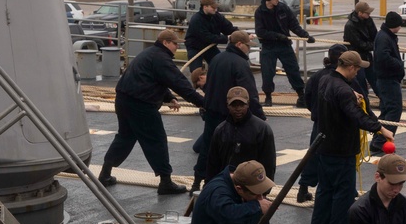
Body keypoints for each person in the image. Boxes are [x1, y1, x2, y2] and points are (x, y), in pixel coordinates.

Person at [98, 29, 205, 195]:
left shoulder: (149, 53)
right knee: (157, 141)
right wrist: (203, 102)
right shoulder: (162, 59)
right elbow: (179, 83)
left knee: (124, 138)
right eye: (175, 43)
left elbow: (153, 78)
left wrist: (168, 97)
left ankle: (105, 173)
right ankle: (165, 182)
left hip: (124, 100)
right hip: (140, 105)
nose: (177, 47)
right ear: (166, 43)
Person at [310, 51, 393, 224]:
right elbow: (358, 117)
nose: (357, 73)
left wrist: (350, 93)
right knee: (343, 196)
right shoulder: (344, 90)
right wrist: (381, 129)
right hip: (341, 152)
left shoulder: (326, 80)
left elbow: (336, 98)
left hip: (323, 148)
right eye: (357, 69)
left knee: (324, 193)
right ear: (350, 67)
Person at [192, 30, 265, 191]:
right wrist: (260, 117)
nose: (248, 49)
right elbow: (249, 93)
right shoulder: (240, 63)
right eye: (247, 46)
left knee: (208, 148)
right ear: (239, 44)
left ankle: (198, 182)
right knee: (232, 151)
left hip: (212, 110)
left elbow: (209, 86)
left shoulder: (217, 59)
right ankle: (231, 186)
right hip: (230, 114)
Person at [297, 43, 348, 203]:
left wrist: (315, 112)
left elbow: (307, 96)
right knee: (342, 158)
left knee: (313, 155)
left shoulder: (317, 76)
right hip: (339, 125)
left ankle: (303, 188)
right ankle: (345, 190)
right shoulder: (345, 78)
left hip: (319, 123)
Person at [254, 0, 314, 108]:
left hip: (284, 45)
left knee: (293, 70)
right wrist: (277, 36)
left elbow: (294, 25)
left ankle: (301, 96)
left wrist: (306, 36)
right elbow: (260, 32)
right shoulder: (260, 12)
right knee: (267, 73)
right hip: (269, 46)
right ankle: (268, 97)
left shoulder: (283, 8)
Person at [205, 86, 277, 186]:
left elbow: (268, 164)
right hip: (226, 184)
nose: (238, 109)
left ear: (248, 104)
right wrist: (209, 186)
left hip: (252, 186)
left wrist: (264, 191)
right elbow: (212, 162)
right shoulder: (220, 130)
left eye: (241, 105)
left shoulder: (262, 130)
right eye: (234, 105)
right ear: (227, 105)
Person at [370, 11, 406, 154]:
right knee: (394, 110)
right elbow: (382, 57)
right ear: (395, 25)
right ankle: (381, 140)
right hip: (388, 79)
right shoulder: (385, 38)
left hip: (386, 79)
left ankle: (378, 140)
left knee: (386, 111)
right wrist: (398, 64)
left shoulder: (384, 35)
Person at [184, 0, 237, 71]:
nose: (215, 10)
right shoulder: (196, 19)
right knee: (196, 71)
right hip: (195, 47)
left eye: (216, 7)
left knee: (220, 65)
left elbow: (228, 28)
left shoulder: (217, 16)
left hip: (210, 46)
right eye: (213, 8)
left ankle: (215, 80)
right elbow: (207, 37)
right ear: (205, 7)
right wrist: (227, 38)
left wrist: (239, 34)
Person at [344, 1, 378, 99]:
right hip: (356, 57)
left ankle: (383, 99)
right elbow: (359, 44)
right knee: (361, 81)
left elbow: (374, 35)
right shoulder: (350, 25)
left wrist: (373, 44)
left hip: (366, 55)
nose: (369, 14)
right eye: (367, 13)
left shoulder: (368, 20)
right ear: (360, 13)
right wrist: (373, 45)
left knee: (374, 79)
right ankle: (364, 101)